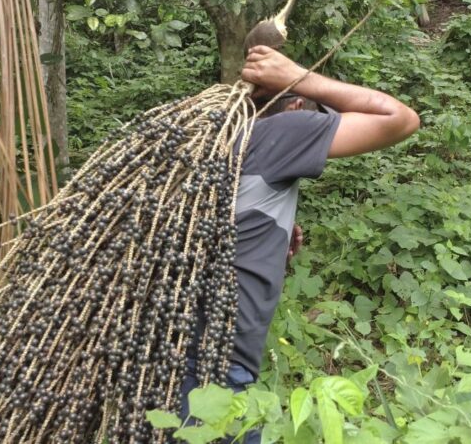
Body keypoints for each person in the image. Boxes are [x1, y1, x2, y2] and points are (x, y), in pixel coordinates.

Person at [180, 45, 420, 441]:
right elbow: (401, 119)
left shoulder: (226, 142)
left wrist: (273, 226)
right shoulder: (285, 132)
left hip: (173, 345)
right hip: (216, 363)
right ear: (295, 109)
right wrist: (301, 75)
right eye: (315, 110)